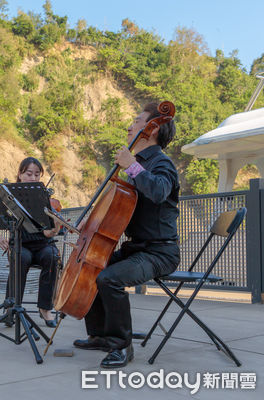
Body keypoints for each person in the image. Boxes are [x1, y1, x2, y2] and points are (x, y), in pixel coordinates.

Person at [73, 103, 180, 368]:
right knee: (94, 268)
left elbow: (158, 191)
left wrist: (132, 166)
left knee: (109, 278)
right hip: (138, 248)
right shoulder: (140, 164)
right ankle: (100, 335)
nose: (129, 126)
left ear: (152, 129)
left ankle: (122, 345)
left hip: (160, 252)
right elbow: (123, 209)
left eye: (136, 121)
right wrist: (95, 220)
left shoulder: (161, 163)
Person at [0, 157, 61, 328]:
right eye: (29, 173)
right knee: (21, 258)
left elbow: (46, 232)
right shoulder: (8, 196)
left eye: (37, 174)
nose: (33, 178)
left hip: (43, 244)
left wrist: (55, 229)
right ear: (20, 174)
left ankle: (45, 308)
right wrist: (0, 239)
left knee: (52, 256)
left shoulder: (44, 197)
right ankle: (11, 307)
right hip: (20, 244)